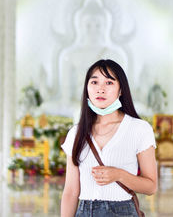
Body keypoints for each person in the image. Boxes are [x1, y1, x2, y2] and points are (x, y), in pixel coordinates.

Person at [61, 59, 157, 217]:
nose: (100, 89)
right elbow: (71, 191)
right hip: (84, 211)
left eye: (109, 83)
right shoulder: (76, 133)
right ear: (87, 88)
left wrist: (119, 175)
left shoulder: (139, 129)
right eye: (94, 82)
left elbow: (151, 186)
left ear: (121, 90)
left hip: (123, 211)